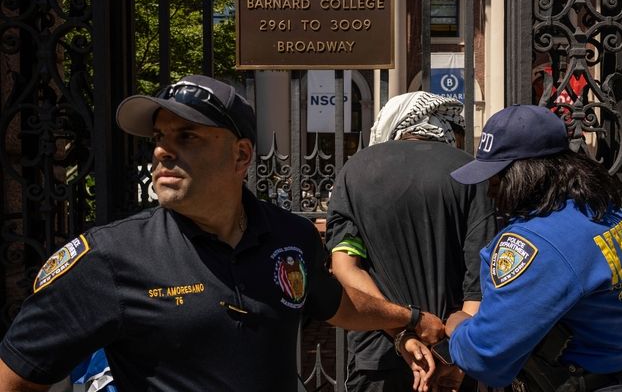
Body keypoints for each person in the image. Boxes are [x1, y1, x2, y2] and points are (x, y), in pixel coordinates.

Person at [0, 75, 443, 391]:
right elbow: (17, 375)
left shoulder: (290, 236)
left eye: (187, 136)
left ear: (241, 155)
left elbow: (333, 302)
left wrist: (407, 322)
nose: (161, 150)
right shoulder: (108, 258)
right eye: (158, 136)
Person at [443, 104, 622, 391]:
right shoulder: (609, 214)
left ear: (523, 174)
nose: (490, 189)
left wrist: (457, 325)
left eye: (496, 176)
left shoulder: (535, 243)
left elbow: (485, 356)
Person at [325, 91, 497, 392]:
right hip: (451, 359)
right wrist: (456, 357)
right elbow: (480, 281)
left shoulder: (354, 172)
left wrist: (403, 334)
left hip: (377, 355)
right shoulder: (470, 173)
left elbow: (345, 268)